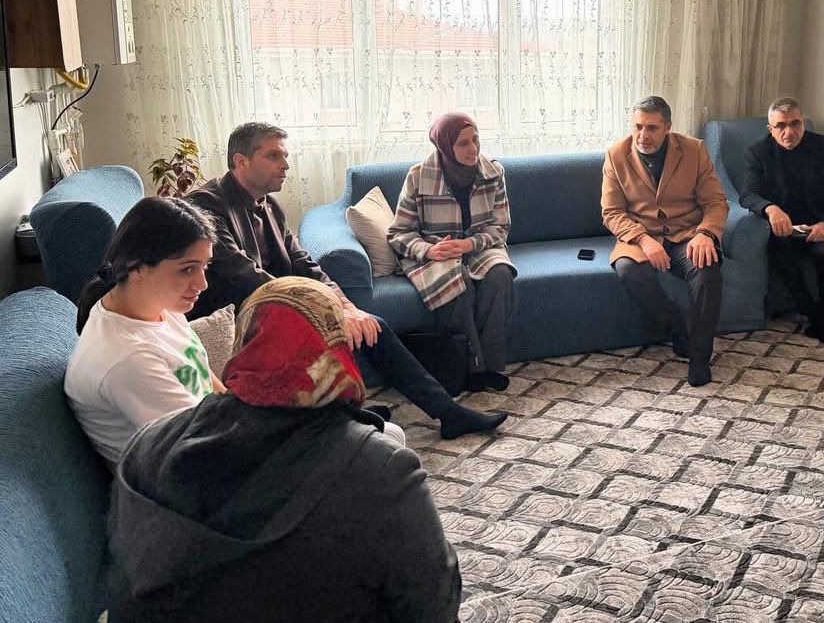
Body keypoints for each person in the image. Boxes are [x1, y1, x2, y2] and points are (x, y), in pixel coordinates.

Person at [104, 277, 461, 623]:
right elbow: (433, 605)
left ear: (244, 342)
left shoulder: (147, 445)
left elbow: (125, 584)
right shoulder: (383, 469)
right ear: (335, 350)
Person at [187, 121, 506, 440]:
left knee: (370, 325)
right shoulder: (207, 205)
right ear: (241, 161)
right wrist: (322, 310)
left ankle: (437, 413)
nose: (285, 165)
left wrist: (346, 305)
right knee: (351, 327)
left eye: (285, 156)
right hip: (235, 319)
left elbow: (304, 263)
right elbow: (241, 274)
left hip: (278, 307)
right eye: (273, 156)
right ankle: (353, 412)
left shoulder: (270, 205)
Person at [65, 196, 223, 466]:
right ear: (136, 266)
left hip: (211, 442)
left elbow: (203, 376)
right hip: (185, 478)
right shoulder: (128, 359)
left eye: (204, 265)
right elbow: (199, 451)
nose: (202, 283)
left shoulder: (159, 305)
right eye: (187, 269)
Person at [602, 96, 728, 387]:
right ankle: (678, 331)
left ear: (667, 127)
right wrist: (643, 239)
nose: (642, 135)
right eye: (638, 127)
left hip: (687, 233)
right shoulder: (616, 154)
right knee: (628, 271)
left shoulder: (694, 149)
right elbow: (612, 212)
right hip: (640, 235)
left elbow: (715, 201)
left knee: (707, 269)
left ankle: (699, 359)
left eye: (651, 128)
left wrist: (706, 234)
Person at [388, 113, 515, 392]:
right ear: (445, 146)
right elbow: (399, 233)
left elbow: (501, 227)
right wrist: (430, 250)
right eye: (463, 143)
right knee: (457, 282)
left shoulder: (494, 173)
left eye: (476, 140)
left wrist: (470, 244)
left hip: (479, 245)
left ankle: (490, 366)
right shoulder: (418, 176)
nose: (473, 149)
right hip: (437, 251)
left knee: (500, 275)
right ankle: (469, 368)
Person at [739, 97, 824, 342]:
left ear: (803, 123)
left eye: (795, 124)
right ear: (770, 129)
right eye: (780, 125)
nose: (789, 132)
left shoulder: (822, 146)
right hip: (785, 226)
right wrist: (770, 209)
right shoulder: (757, 153)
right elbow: (748, 195)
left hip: (820, 221)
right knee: (782, 257)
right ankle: (815, 316)